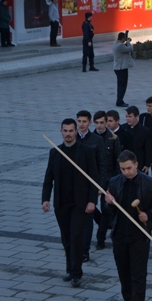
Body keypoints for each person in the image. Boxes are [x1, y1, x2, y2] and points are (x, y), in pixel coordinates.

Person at [105, 150, 152, 301]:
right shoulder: (114, 182)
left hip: (140, 235)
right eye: (123, 169)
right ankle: (127, 298)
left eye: (129, 168)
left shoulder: (150, 183)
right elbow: (109, 211)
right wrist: (108, 203)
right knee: (123, 270)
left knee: (138, 274)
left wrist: (148, 214)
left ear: (137, 165)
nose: (126, 172)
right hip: (119, 234)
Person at [42, 118, 99, 288]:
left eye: (71, 131)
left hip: (80, 204)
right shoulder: (55, 152)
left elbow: (94, 178)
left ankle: (76, 273)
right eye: (65, 131)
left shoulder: (87, 151)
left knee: (76, 236)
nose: (68, 134)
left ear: (76, 132)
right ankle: (69, 268)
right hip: (61, 203)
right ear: (61, 132)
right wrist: (45, 199)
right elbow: (48, 179)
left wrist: (92, 201)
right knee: (66, 238)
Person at [76, 110, 107, 262]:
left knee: (88, 219)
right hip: (74, 187)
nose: (81, 124)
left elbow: (102, 164)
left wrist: (99, 186)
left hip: (90, 186)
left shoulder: (96, 140)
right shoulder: (72, 138)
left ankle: (85, 250)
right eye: (79, 121)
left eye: (84, 121)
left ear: (89, 123)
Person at [92, 111, 122, 251]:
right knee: (89, 207)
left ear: (106, 122)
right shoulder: (90, 138)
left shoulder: (113, 138)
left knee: (106, 209)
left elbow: (117, 161)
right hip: (92, 179)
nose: (99, 125)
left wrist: (116, 182)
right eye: (96, 123)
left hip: (108, 179)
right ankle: (105, 224)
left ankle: (101, 238)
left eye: (102, 123)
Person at [121, 106, 152, 174]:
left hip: (139, 164)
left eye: (130, 116)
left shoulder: (145, 131)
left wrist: (147, 164)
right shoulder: (123, 128)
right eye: (126, 116)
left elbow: (148, 149)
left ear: (136, 116)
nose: (128, 119)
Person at [109, 31, 134, 107]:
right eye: (124, 38)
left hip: (118, 67)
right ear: (122, 38)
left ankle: (119, 100)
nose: (125, 40)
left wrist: (126, 42)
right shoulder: (120, 46)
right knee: (122, 85)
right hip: (121, 68)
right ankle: (120, 101)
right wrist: (129, 42)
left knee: (120, 85)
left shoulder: (116, 44)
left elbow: (124, 48)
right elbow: (130, 49)